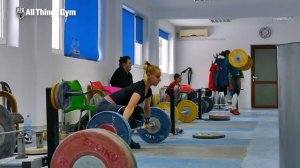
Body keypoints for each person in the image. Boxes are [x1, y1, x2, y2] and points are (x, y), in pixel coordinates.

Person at [95, 62, 161, 149]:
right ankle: (124, 137)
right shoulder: (140, 89)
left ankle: (128, 138)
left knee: (139, 112)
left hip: (117, 107)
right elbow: (130, 108)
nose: (160, 79)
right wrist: (123, 125)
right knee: (128, 110)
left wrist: (147, 122)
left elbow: (146, 107)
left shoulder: (148, 91)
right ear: (149, 75)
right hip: (104, 105)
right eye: (157, 76)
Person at [224, 50, 243, 115]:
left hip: (237, 76)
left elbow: (239, 64)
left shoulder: (231, 60)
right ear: (227, 55)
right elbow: (229, 64)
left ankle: (234, 108)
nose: (231, 55)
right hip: (233, 77)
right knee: (235, 92)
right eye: (230, 54)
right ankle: (233, 108)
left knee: (237, 93)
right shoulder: (227, 60)